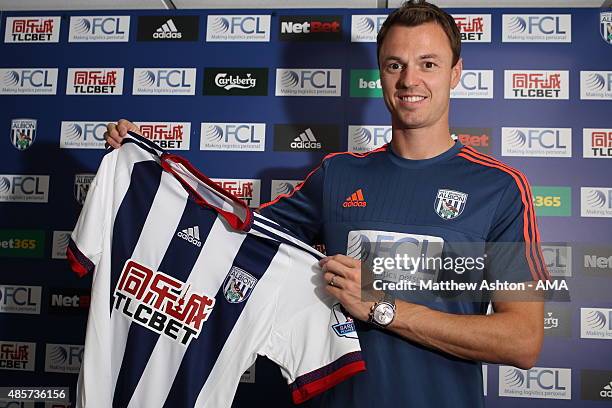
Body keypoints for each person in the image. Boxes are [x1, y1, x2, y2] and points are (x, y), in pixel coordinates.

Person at [105, 1, 548, 406]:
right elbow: (233, 234)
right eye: (395, 65)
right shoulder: (338, 175)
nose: (410, 80)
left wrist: (381, 307)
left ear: (454, 72)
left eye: (427, 64)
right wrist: (147, 168)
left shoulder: (501, 188)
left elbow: (521, 340)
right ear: (380, 74)